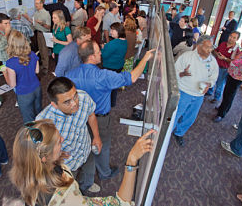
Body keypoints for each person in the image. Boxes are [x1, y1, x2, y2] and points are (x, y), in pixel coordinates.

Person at [10, 119, 155, 206]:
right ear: (44, 158)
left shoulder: (31, 173)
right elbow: (121, 204)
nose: (62, 140)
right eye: (57, 142)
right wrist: (131, 160)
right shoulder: (62, 197)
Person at [66, 40, 155, 181]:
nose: (101, 52)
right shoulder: (104, 76)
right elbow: (131, 77)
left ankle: (87, 172)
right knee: (102, 145)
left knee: (84, 144)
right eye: (97, 52)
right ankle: (104, 172)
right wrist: (145, 58)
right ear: (91, 57)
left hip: (78, 118)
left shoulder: (69, 75)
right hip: (100, 119)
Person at [35, 77, 102, 193]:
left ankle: (87, 184)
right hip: (67, 164)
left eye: (75, 96)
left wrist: (96, 136)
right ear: (54, 104)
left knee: (89, 173)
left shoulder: (83, 97)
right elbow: (41, 156)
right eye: (67, 102)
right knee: (70, 189)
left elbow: (91, 115)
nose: (75, 103)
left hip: (86, 149)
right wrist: (56, 157)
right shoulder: (43, 122)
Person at [172, 35, 219, 146]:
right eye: (207, 47)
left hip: (199, 95)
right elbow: (174, 71)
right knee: (176, 114)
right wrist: (182, 73)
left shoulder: (213, 62)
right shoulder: (187, 56)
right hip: (184, 91)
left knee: (190, 117)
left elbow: (214, 77)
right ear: (198, 46)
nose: (210, 50)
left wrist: (209, 84)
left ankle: (179, 133)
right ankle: (166, 133)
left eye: (211, 47)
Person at [214, 36, 242, 122]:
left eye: (241, 42)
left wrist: (224, 58)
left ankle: (221, 114)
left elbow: (233, 63)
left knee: (229, 96)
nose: (240, 44)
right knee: (226, 93)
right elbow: (233, 57)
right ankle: (222, 107)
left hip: (237, 78)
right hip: (232, 75)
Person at [3, 30, 42, 123]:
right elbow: (37, 71)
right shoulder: (32, 54)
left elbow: (12, 85)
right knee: (39, 114)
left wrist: (5, 73)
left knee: (29, 120)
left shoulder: (10, 63)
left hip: (24, 93)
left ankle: (35, 137)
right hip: (37, 88)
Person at [208, 31, 240, 103]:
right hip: (216, 65)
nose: (231, 38)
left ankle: (216, 97)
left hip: (224, 68)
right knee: (212, 79)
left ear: (237, 39)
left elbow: (234, 62)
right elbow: (214, 51)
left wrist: (224, 58)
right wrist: (217, 54)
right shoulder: (223, 43)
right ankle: (210, 91)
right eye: (231, 36)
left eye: (234, 38)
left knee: (220, 84)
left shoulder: (236, 50)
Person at [101, 22, 128, 107]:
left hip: (110, 67)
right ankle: (112, 103)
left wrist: (103, 48)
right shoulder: (124, 41)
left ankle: (106, 104)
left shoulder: (113, 43)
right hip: (119, 66)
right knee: (114, 86)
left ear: (118, 31)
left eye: (112, 30)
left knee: (107, 87)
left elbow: (104, 56)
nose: (110, 32)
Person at [24, 0, 51, 74]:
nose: (36, 5)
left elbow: (49, 26)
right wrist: (27, 18)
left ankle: (46, 67)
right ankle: (43, 64)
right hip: (38, 33)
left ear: (41, 4)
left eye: (37, 3)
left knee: (44, 51)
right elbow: (33, 22)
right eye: (35, 3)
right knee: (41, 50)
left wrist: (42, 24)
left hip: (44, 34)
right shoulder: (36, 13)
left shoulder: (46, 13)